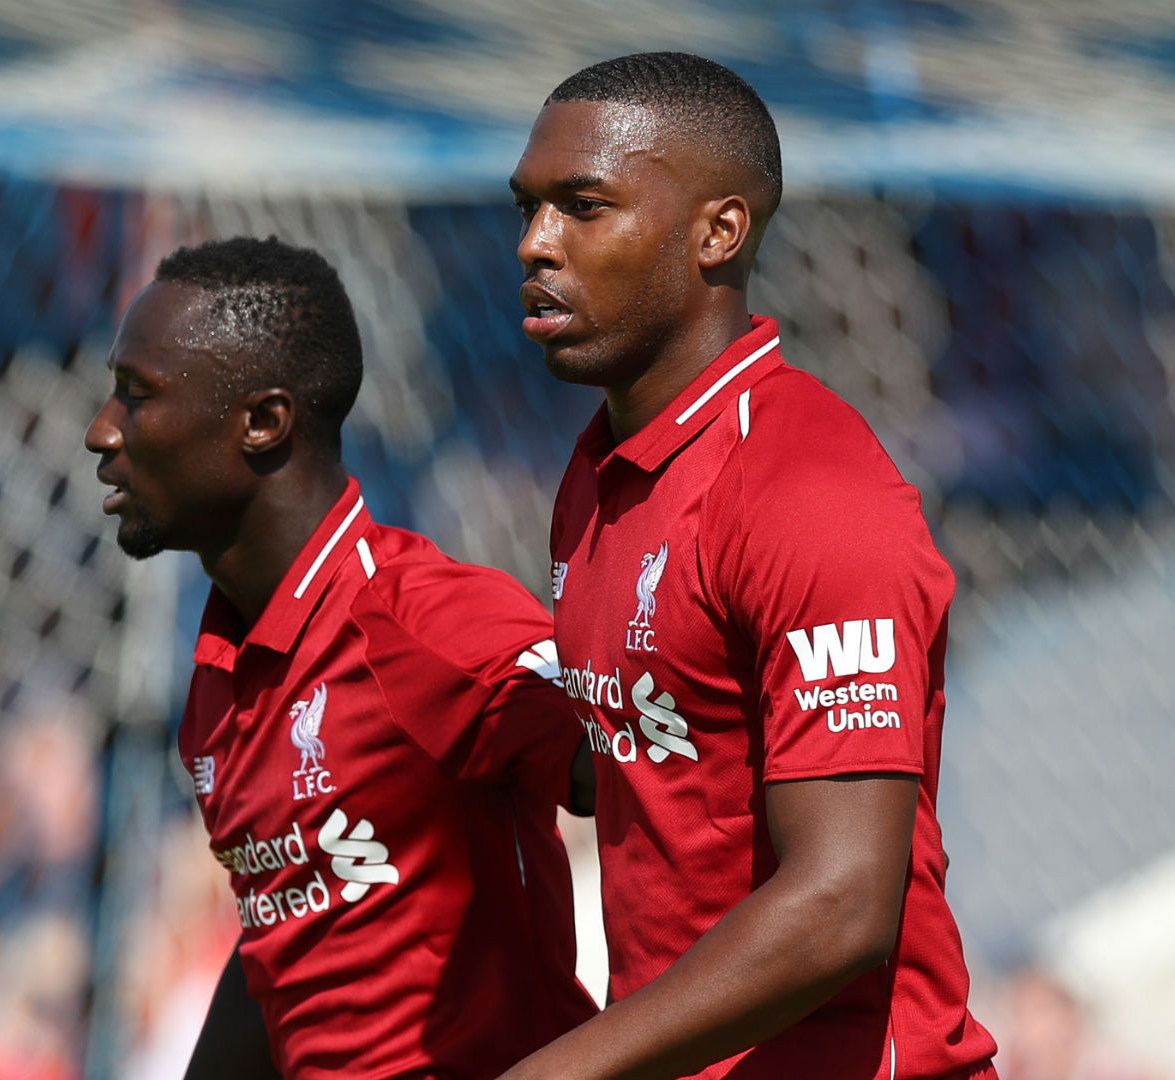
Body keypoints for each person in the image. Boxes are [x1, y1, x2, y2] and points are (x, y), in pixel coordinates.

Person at [502, 52, 998, 1079]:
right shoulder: (599, 474)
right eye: (529, 208)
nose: (535, 244)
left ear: (718, 232)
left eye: (582, 207)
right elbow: (651, 762)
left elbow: (845, 902)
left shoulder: (808, 492)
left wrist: (561, 1069)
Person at [85, 237, 598, 1079]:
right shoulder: (220, 679)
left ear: (263, 422)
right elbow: (284, 945)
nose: (101, 430)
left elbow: (655, 780)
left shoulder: (425, 623)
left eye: (137, 396)